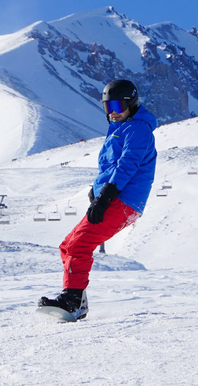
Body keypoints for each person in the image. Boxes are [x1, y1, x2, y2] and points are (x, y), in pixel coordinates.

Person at [38, 80, 158, 320]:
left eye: (117, 105)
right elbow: (110, 166)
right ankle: (77, 297)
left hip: (123, 200)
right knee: (68, 244)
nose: (112, 111)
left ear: (131, 104)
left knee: (79, 244)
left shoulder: (137, 129)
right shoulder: (120, 128)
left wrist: (106, 195)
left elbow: (127, 165)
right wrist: (97, 191)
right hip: (114, 197)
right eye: (107, 106)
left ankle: (72, 300)